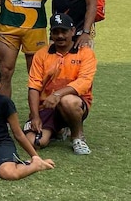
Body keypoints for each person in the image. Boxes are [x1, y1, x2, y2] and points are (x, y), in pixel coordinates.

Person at [26, 13, 97, 155]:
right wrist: (35, 116)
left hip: (75, 104)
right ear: (50, 33)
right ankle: (57, 129)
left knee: (68, 101)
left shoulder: (85, 53)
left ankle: (77, 137)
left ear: (72, 31)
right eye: (55, 32)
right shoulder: (41, 54)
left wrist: (57, 94)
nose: (60, 36)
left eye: (64, 31)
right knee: (35, 142)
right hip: (47, 106)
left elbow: (84, 82)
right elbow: (34, 86)